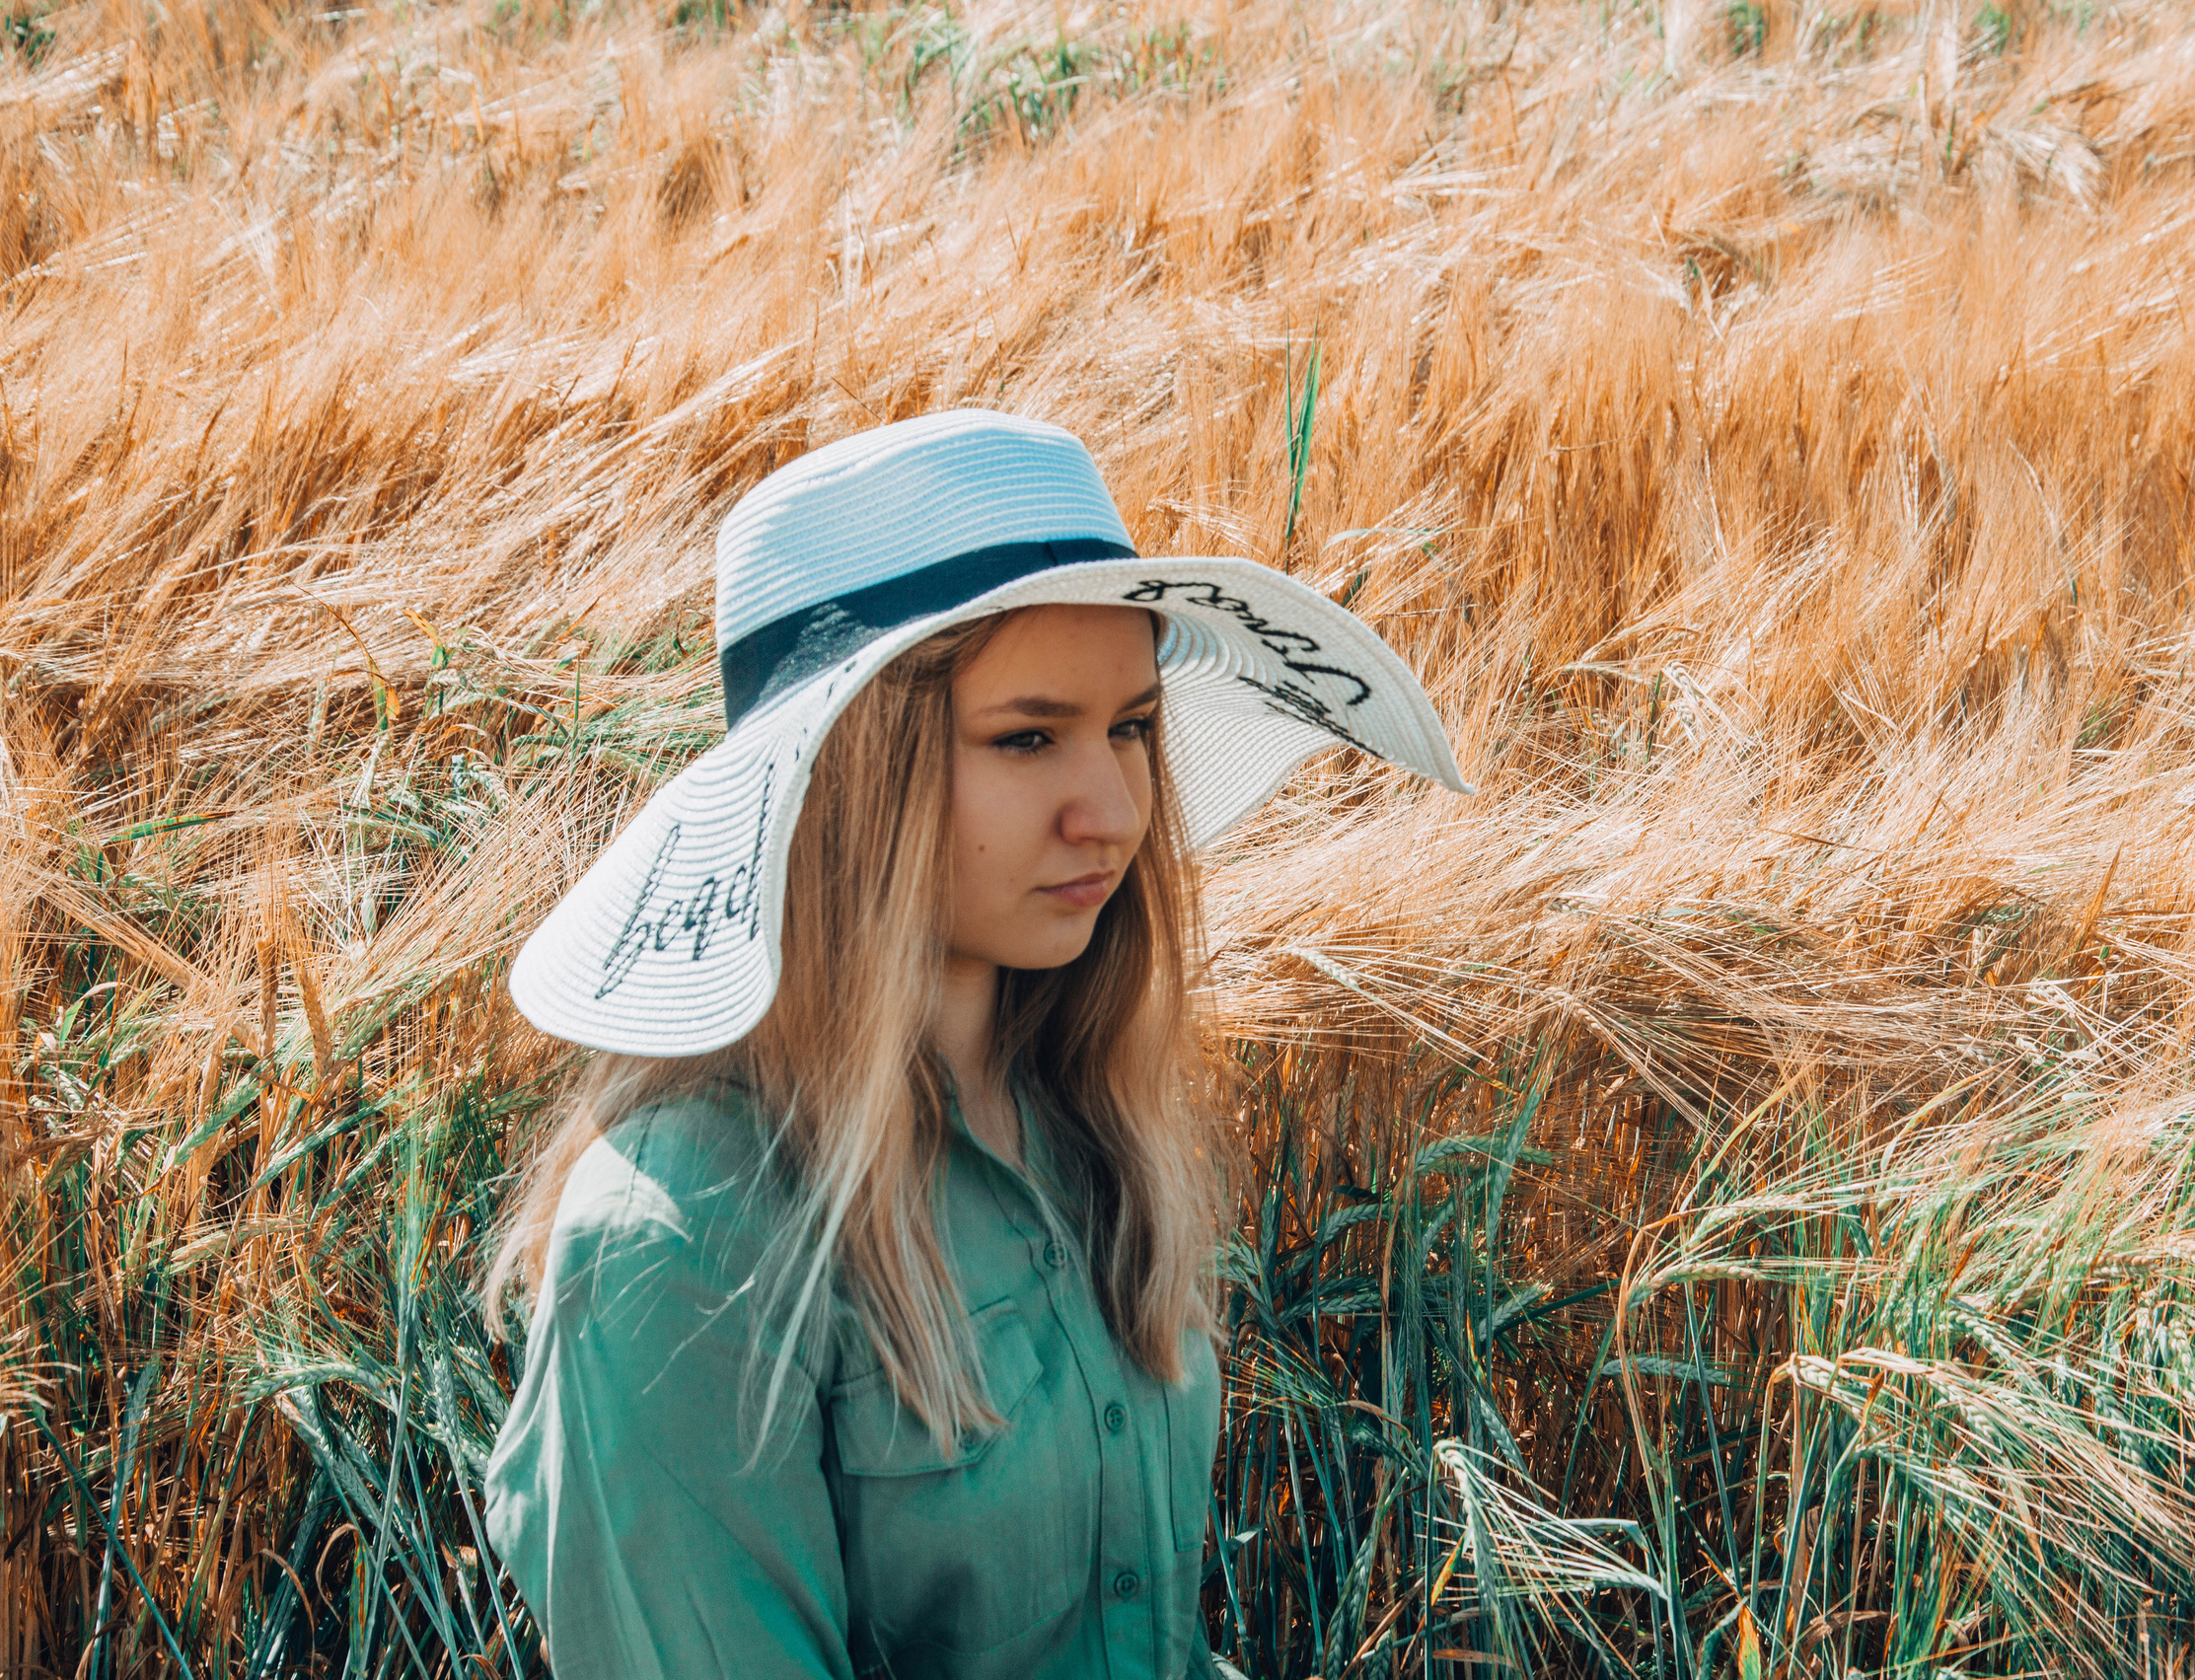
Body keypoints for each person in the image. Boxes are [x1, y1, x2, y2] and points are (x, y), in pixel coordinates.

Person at [479, 410, 1469, 1680]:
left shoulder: (1088, 1115)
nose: (1113, 812)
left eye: (1130, 726)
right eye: (1025, 736)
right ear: (850, 772)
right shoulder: (682, 1244)